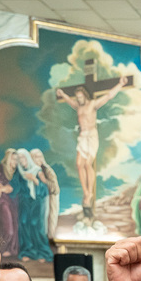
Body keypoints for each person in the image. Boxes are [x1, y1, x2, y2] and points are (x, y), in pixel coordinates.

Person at [56, 77, 128, 217]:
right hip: (82, 136)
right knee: (79, 164)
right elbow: (70, 102)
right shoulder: (78, 106)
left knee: (88, 164)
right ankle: (86, 192)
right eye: (77, 97)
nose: (79, 99)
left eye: (81, 96)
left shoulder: (93, 104)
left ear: (85, 95)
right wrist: (63, 94)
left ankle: (89, 193)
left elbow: (108, 96)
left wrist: (120, 84)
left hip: (92, 136)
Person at [0, 148, 19, 258]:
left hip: (14, 202)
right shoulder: (1, 168)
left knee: (15, 225)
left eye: (16, 160)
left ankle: (11, 249)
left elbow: (14, 187)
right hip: (3, 202)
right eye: (13, 159)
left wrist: (5, 188)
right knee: (8, 228)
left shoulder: (16, 172)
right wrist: (0, 188)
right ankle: (2, 249)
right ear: (8, 159)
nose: (15, 162)